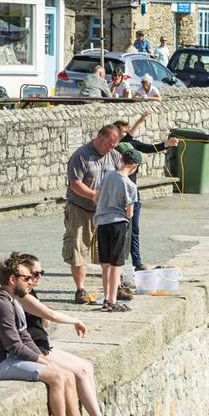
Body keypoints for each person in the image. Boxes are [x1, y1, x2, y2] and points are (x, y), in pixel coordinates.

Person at [0, 253, 104, 416]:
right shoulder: (0, 304)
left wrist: (42, 358)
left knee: (68, 374)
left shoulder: (13, 300)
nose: (31, 282)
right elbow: (14, 346)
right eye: (27, 278)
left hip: (11, 359)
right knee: (57, 377)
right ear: (12, 279)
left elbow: (25, 337)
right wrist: (42, 361)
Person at [15, 252, 123, 416]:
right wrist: (75, 320)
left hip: (43, 344)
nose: (39, 277)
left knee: (87, 367)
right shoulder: (22, 295)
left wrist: (43, 313)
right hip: (34, 349)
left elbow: (45, 322)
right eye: (36, 273)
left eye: (42, 273)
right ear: (25, 274)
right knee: (78, 372)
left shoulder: (30, 293)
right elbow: (52, 317)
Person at [64, 126, 122, 304]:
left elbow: (122, 175)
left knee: (108, 252)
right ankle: (80, 289)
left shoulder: (114, 156)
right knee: (78, 248)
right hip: (80, 209)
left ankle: (113, 288)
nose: (111, 148)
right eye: (109, 144)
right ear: (99, 137)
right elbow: (75, 184)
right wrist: (95, 195)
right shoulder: (81, 155)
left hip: (106, 212)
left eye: (114, 145)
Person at [113, 115, 179, 271]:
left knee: (134, 229)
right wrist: (139, 122)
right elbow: (127, 138)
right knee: (117, 231)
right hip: (118, 195)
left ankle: (137, 262)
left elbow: (149, 148)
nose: (125, 135)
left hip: (133, 194)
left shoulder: (131, 143)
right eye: (121, 132)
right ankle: (114, 264)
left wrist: (166, 144)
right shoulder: (116, 147)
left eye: (126, 132)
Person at [94, 148, 141, 312]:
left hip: (102, 222)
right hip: (118, 223)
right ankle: (113, 300)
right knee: (116, 264)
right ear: (135, 165)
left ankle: (106, 299)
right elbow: (129, 213)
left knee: (105, 264)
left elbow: (96, 197)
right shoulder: (130, 185)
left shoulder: (107, 175)